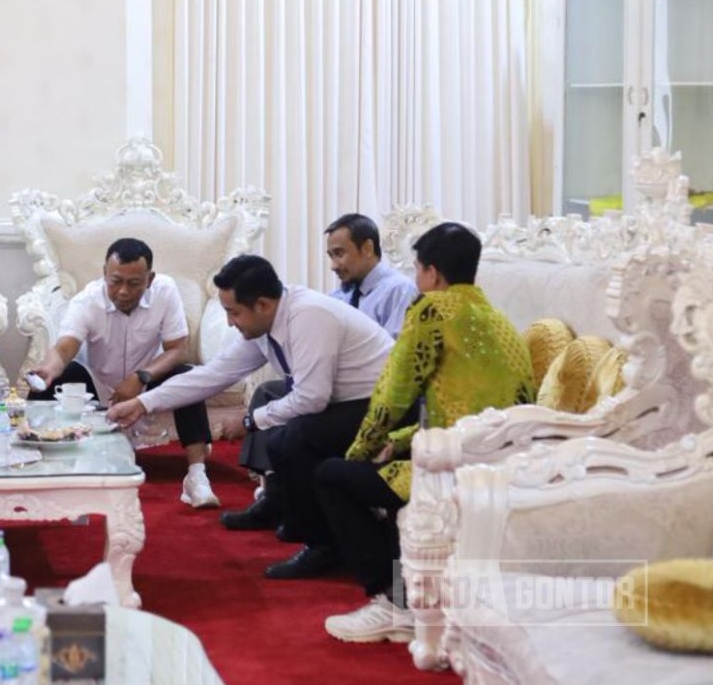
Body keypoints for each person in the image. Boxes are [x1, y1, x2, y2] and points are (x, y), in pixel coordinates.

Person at [109, 254, 393, 578]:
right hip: (343, 400)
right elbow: (212, 375)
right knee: (280, 434)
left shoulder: (309, 316)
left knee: (295, 439)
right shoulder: (267, 324)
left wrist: (252, 419)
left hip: (378, 406)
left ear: (262, 305)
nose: (230, 322)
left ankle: (324, 547)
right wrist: (144, 403)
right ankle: (279, 507)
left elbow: (312, 398)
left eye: (233, 312)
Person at [319, 222, 534, 643]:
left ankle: (398, 602)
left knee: (333, 477)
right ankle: (420, 589)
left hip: (455, 464)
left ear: (432, 272)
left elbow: (392, 395)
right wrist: (398, 443)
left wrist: (359, 452)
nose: (416, 279)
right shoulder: (501, 320)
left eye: (417, 269)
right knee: (376, 470)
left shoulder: (432, 310)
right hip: (508, 460)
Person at [235, 214, 419, 512]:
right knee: (269, 392)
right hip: (332, 383)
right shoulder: (338, 295)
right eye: (330, 255)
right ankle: (275, 489)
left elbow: (397, 355)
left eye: (340, 253)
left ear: (368, 248)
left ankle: (296, 505)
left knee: (298, 415)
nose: (334, 264)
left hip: (372, 390)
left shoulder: (399, 290)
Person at [25, 238, 219, 509]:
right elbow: (64, 348)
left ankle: (197, 477)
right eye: (115, 281)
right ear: (105, 272)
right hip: (97, 382)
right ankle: (38, 469)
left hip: (147, 381)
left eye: (134, 283)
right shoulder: (87, 300)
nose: (123, 291)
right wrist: (47, 368)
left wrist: (140, 377)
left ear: (149, 279)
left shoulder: (165, 291)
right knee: (55, 378)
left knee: (188, 378)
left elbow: (178, 349)